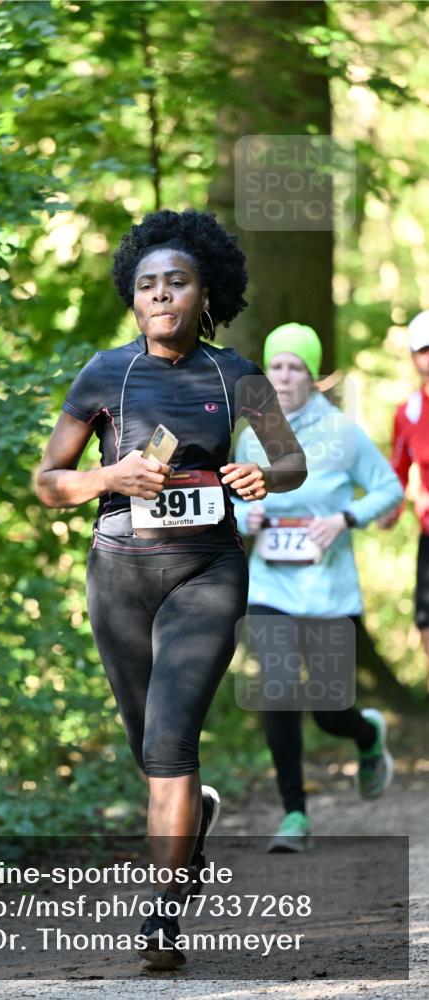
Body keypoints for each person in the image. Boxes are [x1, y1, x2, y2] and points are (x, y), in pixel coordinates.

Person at [35, 209, 307, 969]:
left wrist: (265, 473)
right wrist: (109, 476)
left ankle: (160, 919)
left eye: (176, 282)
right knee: (144, 746)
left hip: (207, 570)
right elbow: (49, 482)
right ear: (133, 295)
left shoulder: (235, 375)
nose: (161, 295)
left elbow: (290, 463)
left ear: (204, 292)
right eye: (147, 284)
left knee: (169, 739)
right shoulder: (103, 374)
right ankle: (196, 817)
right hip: (119, 570)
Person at [232, 322, 404, 853]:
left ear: (314, 377)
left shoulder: (342, 433)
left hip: (329, 592)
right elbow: (232, 502)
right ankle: (294, 816)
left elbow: (389, 488)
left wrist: (344, 519)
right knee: (277, 691)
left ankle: (366, 735)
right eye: (275, 366)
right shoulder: (250, 433)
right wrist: (246, 518)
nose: (283, 377)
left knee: (330, 711)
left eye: (295, 368)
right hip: (271, 589)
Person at [378, 310, 429, 694]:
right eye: (424, 350)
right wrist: (390, 510)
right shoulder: (408, 412)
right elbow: (399, 467)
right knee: (426, 621)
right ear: (414, 357)